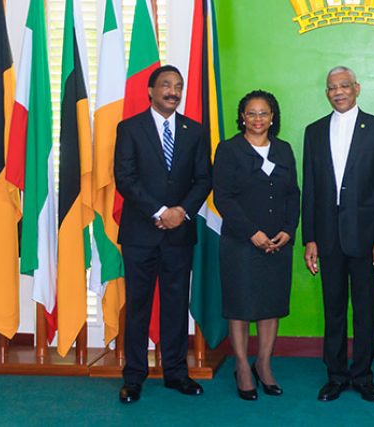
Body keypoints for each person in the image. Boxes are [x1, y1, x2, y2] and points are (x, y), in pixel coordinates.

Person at [114, 64, 212, 404]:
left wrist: (180, 213)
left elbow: (203, 178)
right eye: (166, 85)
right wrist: (159, 212)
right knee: (138, 306)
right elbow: (125, 178)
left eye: (178, 86)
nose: (173, 91)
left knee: (174, 305)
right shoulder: (129, 128)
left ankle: (175, 372)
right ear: (151, 91)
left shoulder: (195, 131)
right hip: (141, 233)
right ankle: (134, 376)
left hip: (178, 234)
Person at [302, 66, 374, 403]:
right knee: (334, 309)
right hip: (326, 238)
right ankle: (336, 375)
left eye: (343, 86)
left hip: (366, 238)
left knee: (365, 310)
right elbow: (309, 190)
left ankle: (363, 376)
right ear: (326, 93)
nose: (338, 92)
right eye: (331, 88)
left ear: (357, 88)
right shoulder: (313, 132)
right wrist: (309, 238)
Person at [213, 90, 300, 401]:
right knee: (240, 307)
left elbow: (293, 194)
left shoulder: (284, 150)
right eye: (252, 113)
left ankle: (263, 363)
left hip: (278, 243)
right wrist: (253, 233)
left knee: (270, 305)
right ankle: (242, 366)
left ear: (272, 117)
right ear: (242, 117)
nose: (258, 119)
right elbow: (223, 197)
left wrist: (288, 231)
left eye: (264, 113)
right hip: (241, 242)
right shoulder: (229, 150)